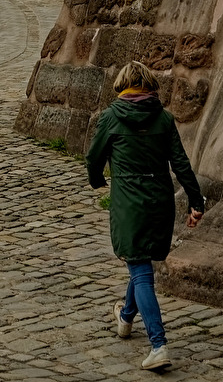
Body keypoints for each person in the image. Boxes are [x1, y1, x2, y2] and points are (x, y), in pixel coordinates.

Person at [86, 61, 206, 372]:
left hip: (130, 202)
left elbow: (94, 159)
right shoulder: (164, 119)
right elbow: (180, 163)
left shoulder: (111, 118)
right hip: (159, 201)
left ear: (122, 86)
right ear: (150, 86)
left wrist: (99, 181)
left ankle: (158, 344)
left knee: (139, 270)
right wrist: (196, 201)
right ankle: (126, 317)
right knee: (141, 263)